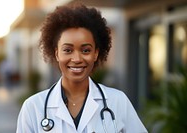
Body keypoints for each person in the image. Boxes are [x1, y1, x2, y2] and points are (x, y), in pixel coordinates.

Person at [16, 3, 148, 133]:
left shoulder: (118, 102)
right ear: (57, 54)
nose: (77, 59)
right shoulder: (33, 107)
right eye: (68, 50)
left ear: (95, 53)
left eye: (85, 50)